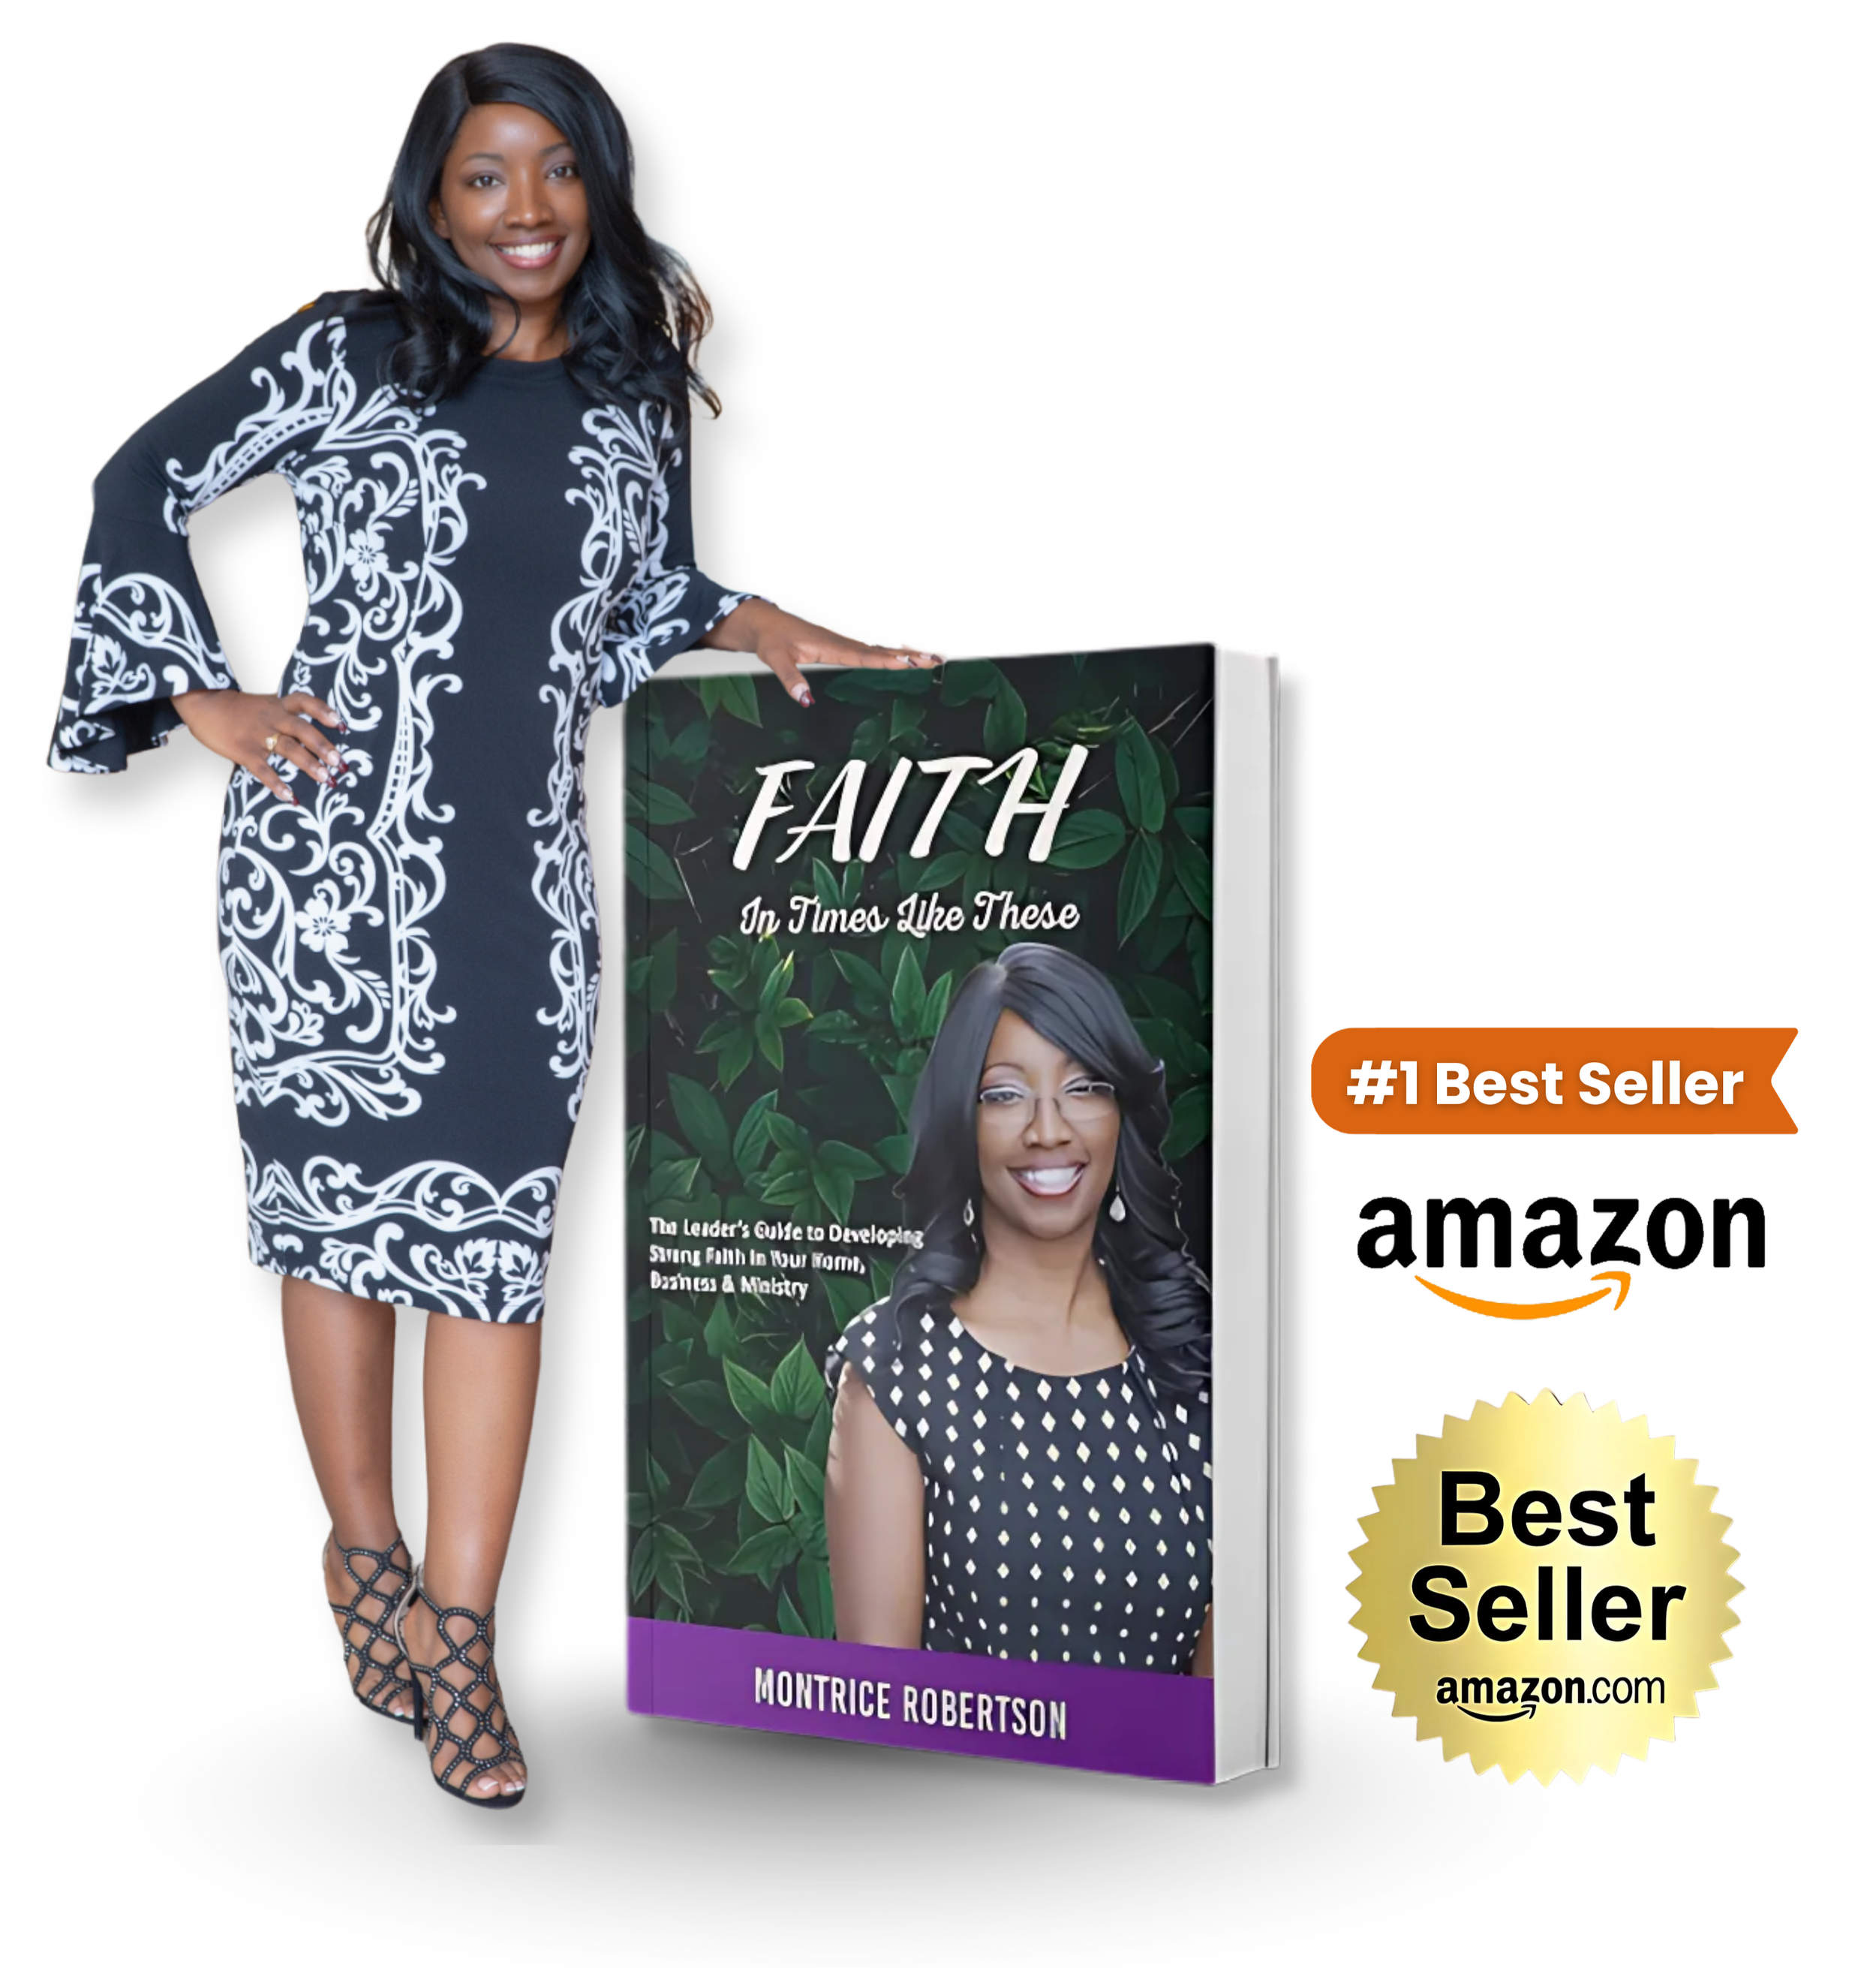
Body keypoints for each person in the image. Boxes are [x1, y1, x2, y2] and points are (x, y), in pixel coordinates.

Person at [46, 40, 945, 1811]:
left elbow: (640, 600)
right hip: (324, 877)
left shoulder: (634, 388)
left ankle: (462, 1634)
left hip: (521, 893)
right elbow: (136, 483)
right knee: (333, 1239)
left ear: (597, 185)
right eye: (483, 175)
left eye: (555, 169)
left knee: (493, 1255)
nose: (524, 208)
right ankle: (363, 1552)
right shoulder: (350, 351)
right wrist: (202, 699)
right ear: (434, 201)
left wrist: (757, 618)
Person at [823, 942, 1213, 1674]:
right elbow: (881, 1695)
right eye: (1004, 1095)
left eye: (1085, 1087)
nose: (1048, 1129)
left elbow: (1225, 1685)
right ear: (960, 1122)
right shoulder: (894, 1371)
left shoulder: (1198, 1351)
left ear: (1121, 1113)